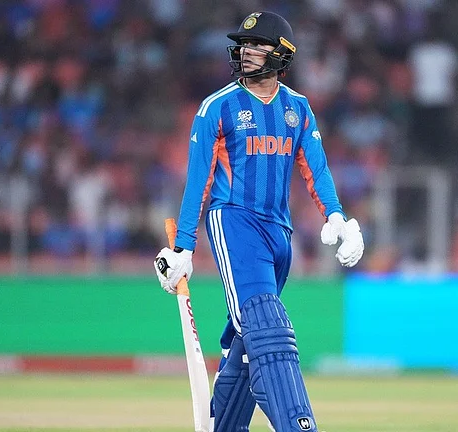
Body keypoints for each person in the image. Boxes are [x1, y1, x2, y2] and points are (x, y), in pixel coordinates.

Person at [154, 11, 364, 432]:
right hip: (234, 221)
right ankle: (298, 425)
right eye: (243, 45)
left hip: (279, 234)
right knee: (267, 326)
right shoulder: (218, 107)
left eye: (256, 45)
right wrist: (184, 246)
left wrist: (337, 216)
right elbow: (199, 180)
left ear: (281, 54)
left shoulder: (297, 108)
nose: (246, 52)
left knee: (249, 339)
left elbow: (316, 168)